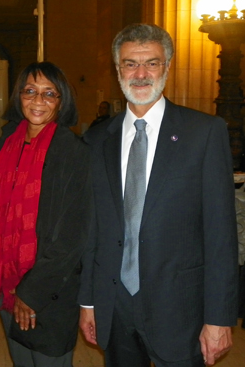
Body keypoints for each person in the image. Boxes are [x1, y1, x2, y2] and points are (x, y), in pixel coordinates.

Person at [78, 23, 238, 367]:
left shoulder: (204, 133)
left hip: (180, 308)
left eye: (151, 63)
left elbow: (221, 233)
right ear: (118, 69)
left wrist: (220, 316)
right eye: (130, 64)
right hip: (115, 305)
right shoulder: (96, 141)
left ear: (167, 66)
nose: (140, 73)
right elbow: (93, 231)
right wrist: (89, 302)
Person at [0, 61, 92, 367]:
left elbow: (72, 237)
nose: (38, 101)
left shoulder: (74, 153)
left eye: (50, 94)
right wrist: (13, 290)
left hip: (50, 292)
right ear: (19, 96)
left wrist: (30, 293)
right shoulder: (4, 144)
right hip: (6, 285)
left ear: (62, 102)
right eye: (30, 91)